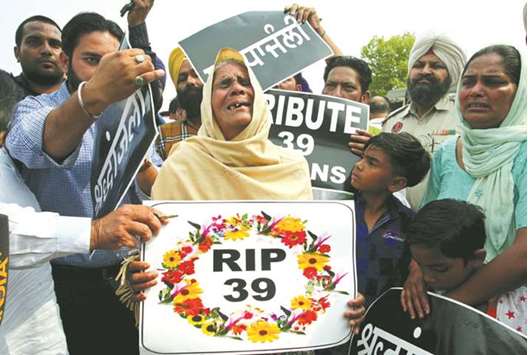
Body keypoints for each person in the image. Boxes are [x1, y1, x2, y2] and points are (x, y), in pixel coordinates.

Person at [5, 10, 164, 355]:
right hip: (66, 286)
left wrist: (140, 158)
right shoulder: (36, 108)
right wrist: (94, 97)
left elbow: (160, 190)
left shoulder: (135, 114)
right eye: (92, 61)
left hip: (133, 280)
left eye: (112, 62)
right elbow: (34, 146)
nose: (107, 73)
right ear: (66, 61)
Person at [401, 45, 526, 324]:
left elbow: (524, 255)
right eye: (468, 82)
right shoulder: (447, 152)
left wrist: (450, 305)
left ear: (521, 92)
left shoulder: (524, 152)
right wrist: (416, 272)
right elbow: (427, 229)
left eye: (493, 82)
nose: (476, 91)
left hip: (507, 316)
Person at [349, 34, 467, 209]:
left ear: (452, 74)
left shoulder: (465, 118)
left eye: (436, 66)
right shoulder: (392, 122)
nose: (425, 71)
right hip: (396, 227)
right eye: (418, 65)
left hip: (444, 227)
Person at [406, 199, 526, 334]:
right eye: (419, 265)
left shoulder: (518, 309)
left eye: (439, 269)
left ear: (476, 258)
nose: (427, 277)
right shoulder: (417, 298)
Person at [351, 132, 430, 306]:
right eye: (363, 158)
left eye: (371, 163)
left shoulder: (410, 224)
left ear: (396, 184)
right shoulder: (337, 207)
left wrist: (417, 268)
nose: (358, 165)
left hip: (377, 322)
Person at [155, 47, 203, 160]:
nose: (190, 81)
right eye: (182, 78)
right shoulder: (164, 136)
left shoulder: (229, 128)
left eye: (196, 75)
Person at [11, 15, 65, 97]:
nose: (47, 50)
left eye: (55, 44)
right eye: (34, 42)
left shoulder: (84, 94)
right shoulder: (4, 92)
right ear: (17, 53)